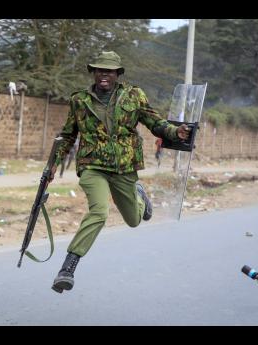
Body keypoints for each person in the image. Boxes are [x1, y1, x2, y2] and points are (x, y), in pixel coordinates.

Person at [48, 51, 190, 293]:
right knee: (99, 212)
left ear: (117, 74)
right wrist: (52, 164)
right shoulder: (79, 100)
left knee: (134, 221)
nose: (104, 74)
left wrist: (174, 132)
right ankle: (67, 268)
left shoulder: (133, 96)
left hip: (124, 167)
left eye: (110, 71)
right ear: (93, 73)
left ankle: (139, 196)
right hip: (93, 167)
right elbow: (69, 134)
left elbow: (154, 121)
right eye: (100, 70)